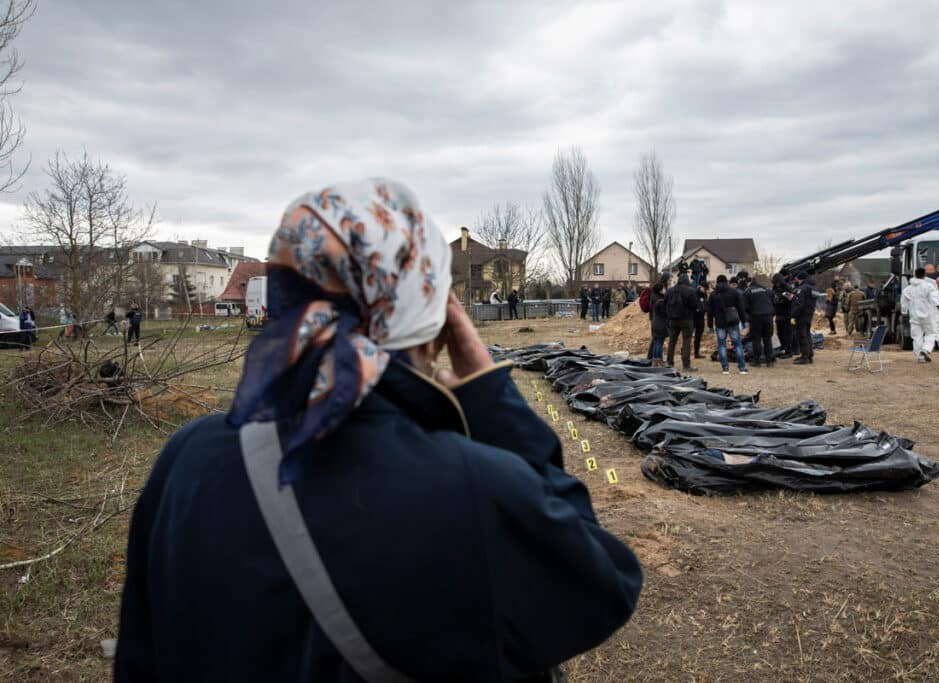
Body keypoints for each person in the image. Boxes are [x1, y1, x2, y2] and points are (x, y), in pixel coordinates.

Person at [115, 179, 642, 683]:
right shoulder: (472, 488)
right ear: (432, 317)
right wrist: (487, 393)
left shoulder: (186, 460)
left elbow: (141, 659)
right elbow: (599, 584)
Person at [707, 274, 748, 375]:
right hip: (733, 321)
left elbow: (710, 312)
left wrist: (710, 325)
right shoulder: (734, 292)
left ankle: (725, 368)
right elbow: (741, 308)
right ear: (727, 282)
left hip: (720, 323)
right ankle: (742, 368)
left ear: (717, 282)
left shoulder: (713, 294)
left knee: (721, 345)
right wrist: (744, 321)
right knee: (737, 344)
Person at [900, 267, 939, 363]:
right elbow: (934, 297)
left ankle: (920, 356)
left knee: (916, 336)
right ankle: (926, 349)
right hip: (927, 314)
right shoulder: (928, 286)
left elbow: (904, 303)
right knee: (931, 333)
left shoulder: (908, 289)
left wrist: (904, 313)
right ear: (925, 275)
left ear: (915, 275)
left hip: (914, 316)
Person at [664, 269, 698, 371]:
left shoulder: (670, 290)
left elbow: (665, 304)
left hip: (673, 320)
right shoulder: (690, 290)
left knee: (672, 341)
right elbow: (694, 305)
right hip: (687, 320)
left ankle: (669, 362)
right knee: (686, 342)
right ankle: (686, 365)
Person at [743, 276, 775, 367]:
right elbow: (774, 303)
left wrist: (748, 319)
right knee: (767, 339)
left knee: (756, 340)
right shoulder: (768, 290)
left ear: (751, 283)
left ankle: (757, 361)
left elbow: (745, 307)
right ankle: (770, 361)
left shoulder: (748, 291)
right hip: (768, 317)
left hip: (756, 317)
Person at [790, 271, 816, 365]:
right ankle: (809, 355)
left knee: (802, 335)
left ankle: (804, 357)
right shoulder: (812, 288)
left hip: (801, 315)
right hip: (809, 314)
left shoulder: (802, 288)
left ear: (800, 278)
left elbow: (800, 304)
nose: (795, 280)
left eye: (796, 278)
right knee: (807, 334)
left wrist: (793, 315)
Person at [772, 274, 794, 358]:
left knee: (787, 333)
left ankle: (789, 351)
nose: (776, 284)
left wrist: (781, 300)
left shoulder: (787, 288)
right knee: (780, 333)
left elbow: (791, 299)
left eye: (777, 283)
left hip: (787, 313)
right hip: (778, 313)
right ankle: (783, 348)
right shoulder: (774, 288)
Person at [649, 281, 668, 366]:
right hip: (661, 324)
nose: (665, 290)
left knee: (656, 342)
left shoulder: (654, 297)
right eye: (663, 288)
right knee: (659, 343)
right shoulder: (661, 301)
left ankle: (654, 360)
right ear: (660, 290)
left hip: (655, 322)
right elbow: (665, 312)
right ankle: (659, 360)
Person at [692, 283, 708, 360]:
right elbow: (693, 305)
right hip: (692, 317)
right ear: (700, 287)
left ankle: (696, 352)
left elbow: (706, 305)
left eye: (706, 289)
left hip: (701, 318)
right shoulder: (694, 294)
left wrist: (704, 310)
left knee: (698, 336)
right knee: (687, 336)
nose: (705, 290)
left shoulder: (705, 295)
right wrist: (697, 309)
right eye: (704, 288)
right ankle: (684, 351)